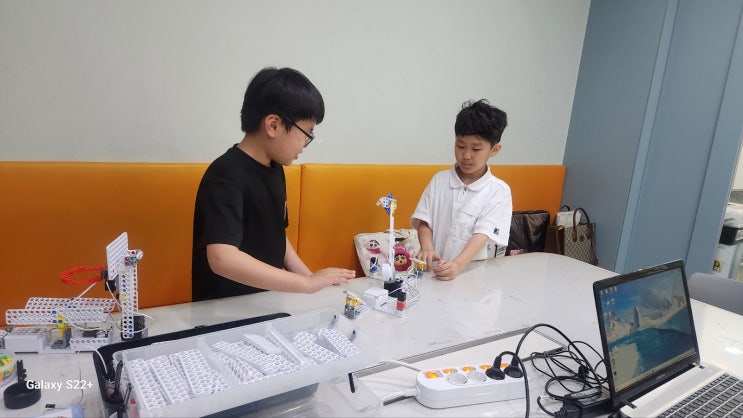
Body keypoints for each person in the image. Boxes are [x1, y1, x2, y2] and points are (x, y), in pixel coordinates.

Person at [192, 67, 356, 301]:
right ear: (273, 125)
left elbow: (278, 237)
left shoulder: (275, 168)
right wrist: (305, 283)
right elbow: (222, 257)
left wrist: (310, 279)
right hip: (223, 310)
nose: (305, 145)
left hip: (265, 302)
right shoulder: (225, 174)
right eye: (306, 134)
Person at [411, 99, 512, 281]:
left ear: (494, 150)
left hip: (472, 276)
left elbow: (482, 234)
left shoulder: (499, 191)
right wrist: (427, 247)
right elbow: (424, 220)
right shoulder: (440, 180)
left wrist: (457, 265)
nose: (466, 155)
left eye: (476, 149)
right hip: (436, 273)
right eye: (460, 146)